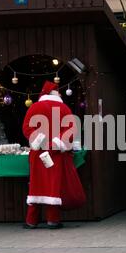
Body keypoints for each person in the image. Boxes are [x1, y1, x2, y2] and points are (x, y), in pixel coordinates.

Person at [22, 81, 86, 229]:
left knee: (36, 185)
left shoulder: (34, 107)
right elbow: (71, 130)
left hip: (38, 153)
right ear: (54, 93)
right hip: (56, 154)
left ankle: (31, 221)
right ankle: (53, 220)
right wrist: (56, 144)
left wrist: (39, 140)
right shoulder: (64, 108)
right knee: (53, 186)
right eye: (58, 91)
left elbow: (26, 128)